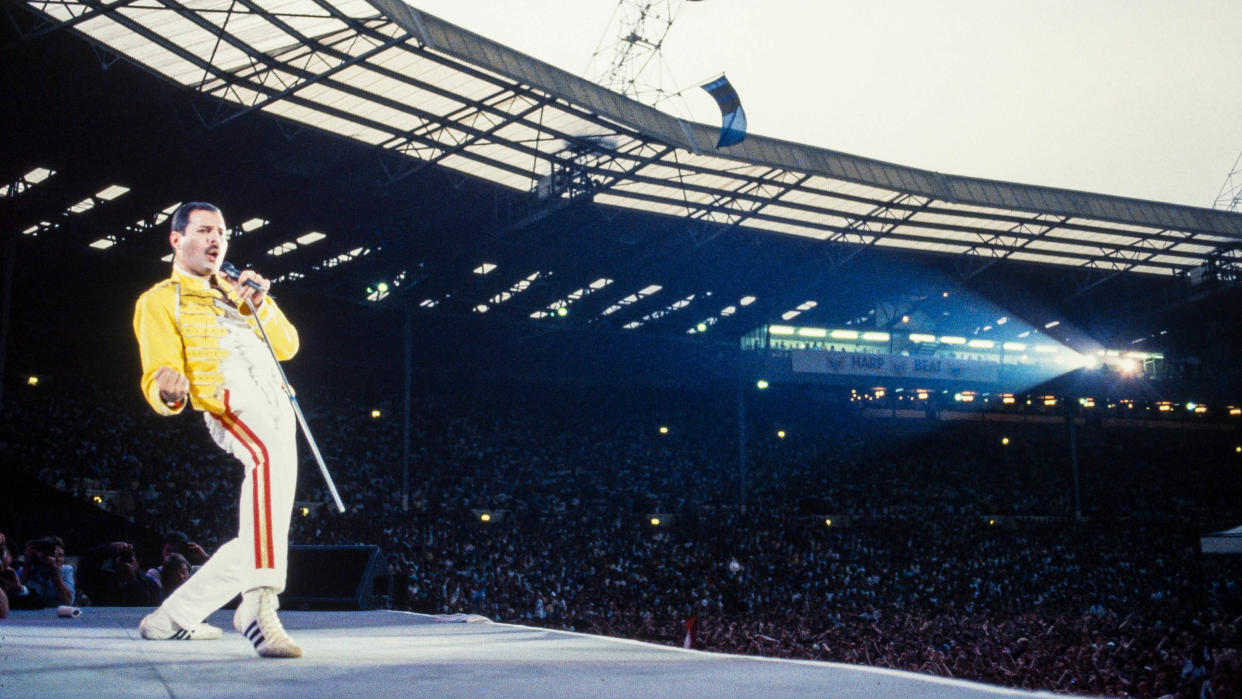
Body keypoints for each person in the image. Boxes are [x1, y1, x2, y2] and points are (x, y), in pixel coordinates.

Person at [132, 202, 303, 658]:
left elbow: (288, 345)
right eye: (205, 230)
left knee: (260, 534)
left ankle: (170, 620)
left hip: (275, 401)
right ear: (176, 238)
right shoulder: (158, 299)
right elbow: (159, 370)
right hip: (230, 399)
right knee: (265, 460)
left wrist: (262, 304)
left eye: (222, 233)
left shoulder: (239, 290)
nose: (216, 239)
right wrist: (167, 390)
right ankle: (258, 603)